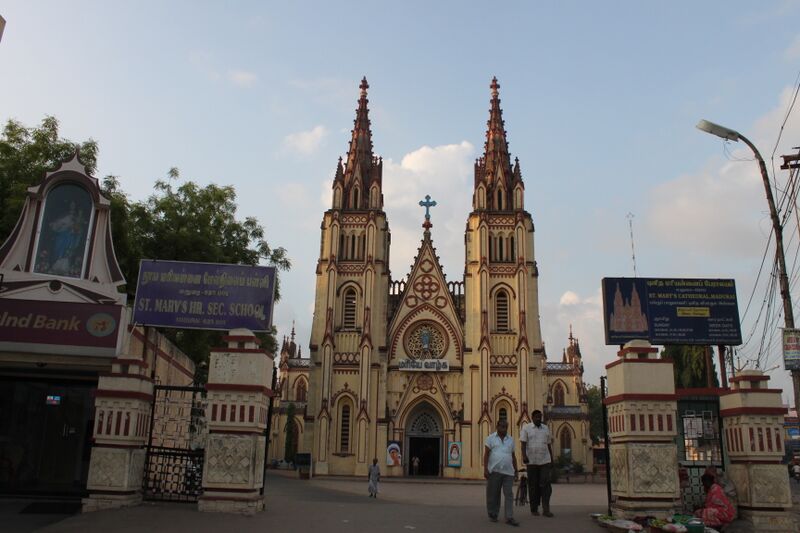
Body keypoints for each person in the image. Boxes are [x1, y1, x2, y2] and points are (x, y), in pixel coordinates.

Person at [483, 419, 520, 527]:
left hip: (508, 472)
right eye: (502, 426)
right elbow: (486, 455)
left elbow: (513, 456)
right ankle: (493, 514)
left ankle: (509, 517)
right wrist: (485, 469)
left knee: (509, 494)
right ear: (497, 427)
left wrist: (516, 471)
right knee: (493, 495)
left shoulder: (511, 440)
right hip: (495, 471)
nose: (504, 429)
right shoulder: (490, 439)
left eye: (506, 427)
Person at [520, 409, 554, 517]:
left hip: (544, 460)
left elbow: (549, 444)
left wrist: (551, 459)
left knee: (545, 484)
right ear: (532, 417)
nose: (539, 419)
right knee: (533, 486)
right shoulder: (526, 428)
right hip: (532, 461)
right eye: (537, 417)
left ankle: (546, 508)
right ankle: (534, 508)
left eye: (540, 417)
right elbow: (523, 443)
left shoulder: (545, 428)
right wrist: (524, 456)